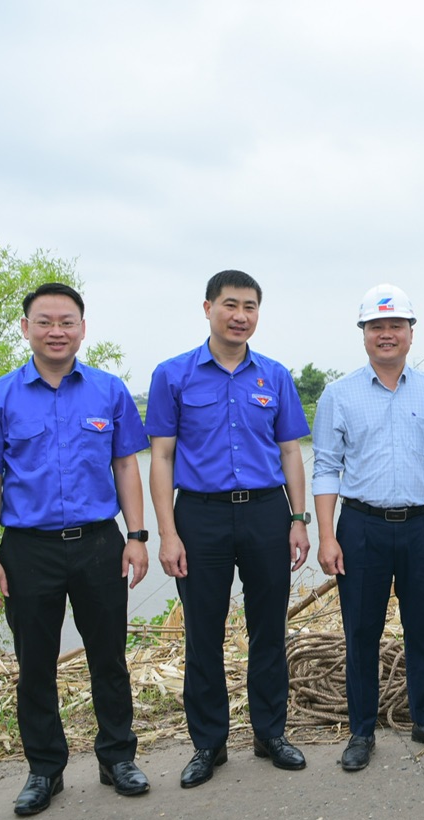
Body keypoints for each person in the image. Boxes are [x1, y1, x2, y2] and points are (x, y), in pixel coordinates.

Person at [0, 283, 151, 815]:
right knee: (35, 663)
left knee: (108, 656)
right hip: (27, 550)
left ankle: (118, 758)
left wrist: (136, 536)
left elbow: (127, 466)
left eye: (67, 321)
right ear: (26, 328)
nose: (56, 331)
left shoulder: (109, 392)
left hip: (97, 544)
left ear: (83, 329)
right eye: (44, 321)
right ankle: (45, 770)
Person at [146, 269, 312, 788]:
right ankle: (209, 744)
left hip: (266, 511)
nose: (241, 316)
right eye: (230, 305)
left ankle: (270, 733)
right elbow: (162, 457)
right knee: (203, 633)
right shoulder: (173, 375)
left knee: (268, 628)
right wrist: (168, 533)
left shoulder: (275, 376)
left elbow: (290, 451)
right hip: (201, 514)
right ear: (208, 308)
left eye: (250, 307)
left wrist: (298, 519)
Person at [312, 284, 424, 771]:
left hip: (423, 525)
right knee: (361, 632)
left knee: (423, 630)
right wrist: (327, 535)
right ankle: (361, 731)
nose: (386, 334)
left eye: (396, 325)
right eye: (376, 326)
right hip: (361, 527)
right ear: (363, 334)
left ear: (410, 333)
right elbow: (324, 468)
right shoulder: (339, 395)